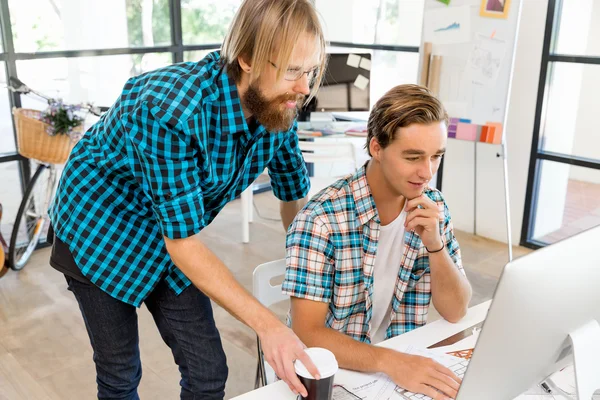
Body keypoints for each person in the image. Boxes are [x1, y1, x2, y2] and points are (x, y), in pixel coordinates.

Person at [48, 0, 327, 398]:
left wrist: (306, 270)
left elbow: (293, 193)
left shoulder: (278, 104)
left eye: (311, 70)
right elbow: (182, 243)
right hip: (98, 228)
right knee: (120, 372)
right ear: (246, 59)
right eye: (293, 71)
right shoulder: (170, 111)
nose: (304, 87)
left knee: (208, 371)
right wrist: (268, 325)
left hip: (172, 232)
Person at [283, 84, 473, 400]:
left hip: (397, 366)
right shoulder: (320, 220)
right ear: (376, 148)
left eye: (436, 156)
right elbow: (308, 332)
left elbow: (456, 311)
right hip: (330, 372)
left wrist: (435, 245)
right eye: (413, 157)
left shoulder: (432, 206)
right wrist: (392, 362)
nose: (427, 172)